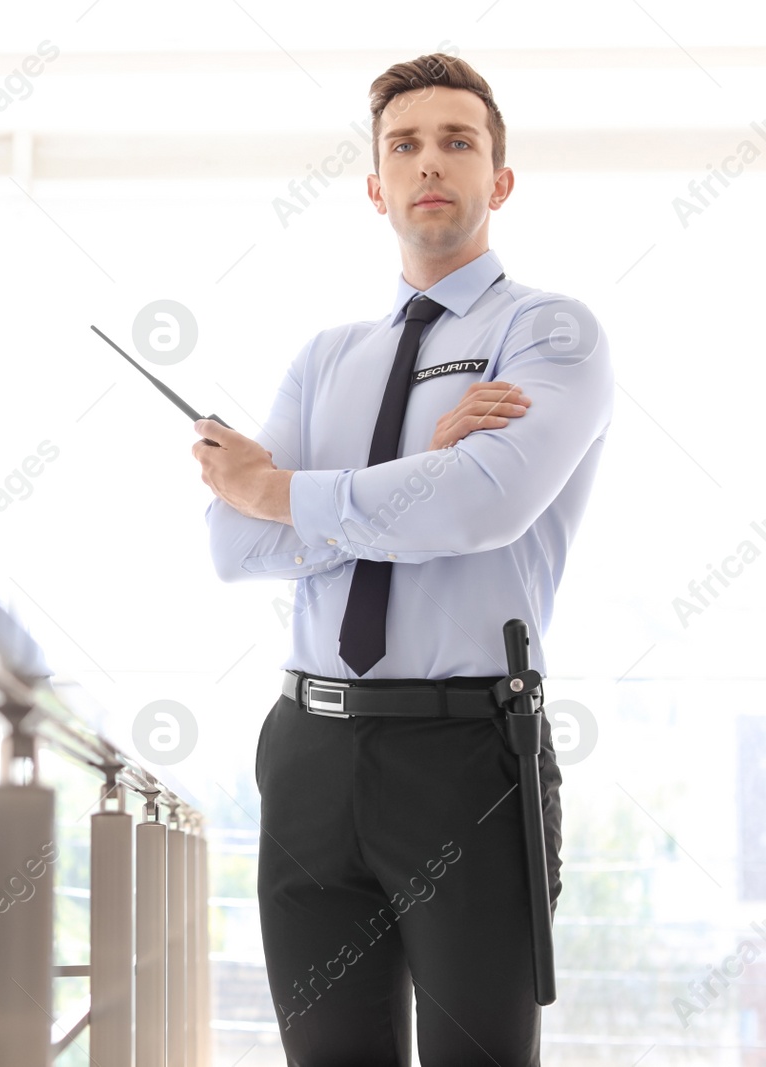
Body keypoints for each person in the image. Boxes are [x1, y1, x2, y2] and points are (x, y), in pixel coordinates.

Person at [191, 53, 613, 1065]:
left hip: (464, 754)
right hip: (307, 749)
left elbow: (481, 505)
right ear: (374, 186)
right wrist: (412, 471)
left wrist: (297, 492)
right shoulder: (325, 357)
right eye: (405, 145)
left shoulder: (548, 331)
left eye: (457, 142)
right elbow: (236, 541)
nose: (431, 162)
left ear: (497, 181)